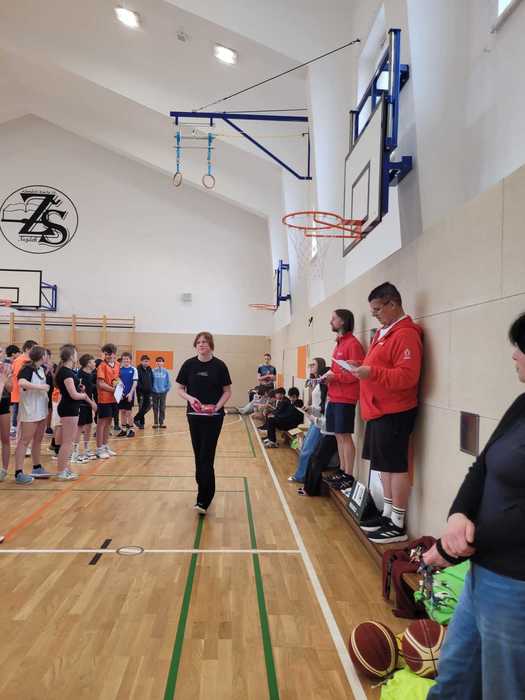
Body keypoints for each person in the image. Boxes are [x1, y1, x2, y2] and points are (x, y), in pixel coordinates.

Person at [423, 312, 525, 700]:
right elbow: (481, 465)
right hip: (481, 575)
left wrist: (454, 548)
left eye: (521, 348)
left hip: (515, 587)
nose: (514, 355)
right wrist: (458, 515)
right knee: (454, 680)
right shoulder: (521, 404)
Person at [353, 283, 423, 544]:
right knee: (383, 467)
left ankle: (397, 523)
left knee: (395, 467)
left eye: (377, 310)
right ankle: (387, 514)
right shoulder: (385, 333)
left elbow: (407, 376)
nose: (375, 315)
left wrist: (371, 372)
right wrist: (360, 366)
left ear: (393, 304)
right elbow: (378, 365)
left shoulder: (405, 335)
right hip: (377, 410)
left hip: (394, 411)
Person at [176, 331, 232, 514]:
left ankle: (203, 499)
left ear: (211, 345)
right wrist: (190, 398)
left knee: (206, 456)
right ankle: (204, 492)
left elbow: (227, 392)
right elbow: (180, 389)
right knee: (198, 455)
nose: (201, 344)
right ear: (196, 345)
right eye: (199, 342)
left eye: (205, 342)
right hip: (194, 416)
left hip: (214, 418)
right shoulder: (189, 364)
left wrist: (216, 407)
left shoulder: (220, 366)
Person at [321, 309, 365, 490]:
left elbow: (356, 374)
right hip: (334, 396)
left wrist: (336, 377)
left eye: (334, 319)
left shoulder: (353, 344)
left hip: (346, 398)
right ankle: (341, 470)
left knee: (345, 436)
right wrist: (327, 377)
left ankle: (348, 475)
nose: (330, 321)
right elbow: (337, 370)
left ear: (343, 321)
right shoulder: (339, 344)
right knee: (338, 436)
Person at [14, 345, 52, 483]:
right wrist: (40, 387)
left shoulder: (41, 369)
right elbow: (22, 383)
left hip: (41, 410)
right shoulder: (27, 369)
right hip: (30, 411)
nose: (47, 357)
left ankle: (36, 467)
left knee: (38, 439)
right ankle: (18, 472)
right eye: (46, 354)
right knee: (24, 441)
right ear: (41, 356)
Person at [55, 344, 91, 480]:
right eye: (75, 353)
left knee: (67, 441)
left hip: (69, 408)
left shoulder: (67, 372)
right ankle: (61, 471)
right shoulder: (66, 373)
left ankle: (64, 469)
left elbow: (71, 390)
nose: (77, 356)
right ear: (71, 356)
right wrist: (84, 395)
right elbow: (73, 395)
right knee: (67, 442)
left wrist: (78, 387)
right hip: (69, 408)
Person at [288, 358, 328, 483]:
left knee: (307, 450)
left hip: (319, 421)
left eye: (313, 364)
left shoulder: (323, 383)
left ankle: (300, 476)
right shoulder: (315, 382)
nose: (310, 366)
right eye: (310, 365)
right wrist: (309, 408)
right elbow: (313, 402)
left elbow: (323, 405)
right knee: (305, 447)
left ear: (320, 366)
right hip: (314, 418)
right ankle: (303, 475)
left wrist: (315, 415)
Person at [96, 343, 120, 459]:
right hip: (104, 399)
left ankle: (105, 446)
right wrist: (114, 390)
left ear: (114, 354)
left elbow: (117, 379)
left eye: (110, 354)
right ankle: (99, 448)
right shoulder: (102, 366)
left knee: (109, 423)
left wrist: (120, 388)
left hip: (114, 398)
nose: (108, 356)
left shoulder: (117, 365)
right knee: (101, 424)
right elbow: (101, 384)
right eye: (106, 354)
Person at [74, 354, 98, 462]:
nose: (95, 363)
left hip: (87, 404)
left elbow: (89, 391)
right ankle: (75, 452)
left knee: (89, 426)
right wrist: (92, 403)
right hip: (81, 405)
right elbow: (82, 393)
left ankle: (86, 449)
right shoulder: (80, 376)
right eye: (93, 361)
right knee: (79, 427)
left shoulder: (90, 374)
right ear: (88, 364)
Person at [0, 344, 13, 480]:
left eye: (0, 352)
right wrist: (3, 380)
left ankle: (4, 469)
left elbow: (10, 389)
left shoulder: (6, 368)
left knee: (5, 438)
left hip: (4, 405)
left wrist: (6, 377)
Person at [117, 352, 137, 437]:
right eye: (124, 359)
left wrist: (131, 393)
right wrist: (120, 393)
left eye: (127, 359)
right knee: (122, 411)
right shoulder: (119, 369)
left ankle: (131, 430)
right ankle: (124, 430)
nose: (126, 360)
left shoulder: (133, 369)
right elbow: (117, 382)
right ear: (122, 360)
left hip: (130, 394)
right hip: (121, 394)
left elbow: (135, 382)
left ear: (130, 360)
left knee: (129, 412)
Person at [134, 355, 153, 429]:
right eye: (145, 361)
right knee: (141, 407)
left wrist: (151, 387)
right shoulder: (137, 369)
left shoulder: (149, 369)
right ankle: (141, 424)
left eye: (147, 361)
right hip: (141, 392)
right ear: (141, 361)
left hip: (149, 392)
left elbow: (152, 379)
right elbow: (137, 381)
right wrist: (142, 388)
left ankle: (136, 418)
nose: (146, 363)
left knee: (148, 406)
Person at [152, 356, 171, 428]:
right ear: (156, 363)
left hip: (163, 392)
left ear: (163, 363)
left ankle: (161, 422)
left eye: (161, 361)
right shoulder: (152, 371)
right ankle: (156, 423)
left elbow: (168, 381)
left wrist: (166, 389)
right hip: (154, 392)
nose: (159, 363)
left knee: (162, 408)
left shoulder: (165, 371)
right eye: (158, 361)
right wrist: (152, 389)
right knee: (155, 408)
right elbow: (150, 381)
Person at [5, 344, 20, 436]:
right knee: (14, 409)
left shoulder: (11, 362)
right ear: (14, 354)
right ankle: (13, 428)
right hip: (7, 391)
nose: (19, 355)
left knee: (13, 409)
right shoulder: (8, 364)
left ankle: (13, 427)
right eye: (18, 353)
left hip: (10, 390)